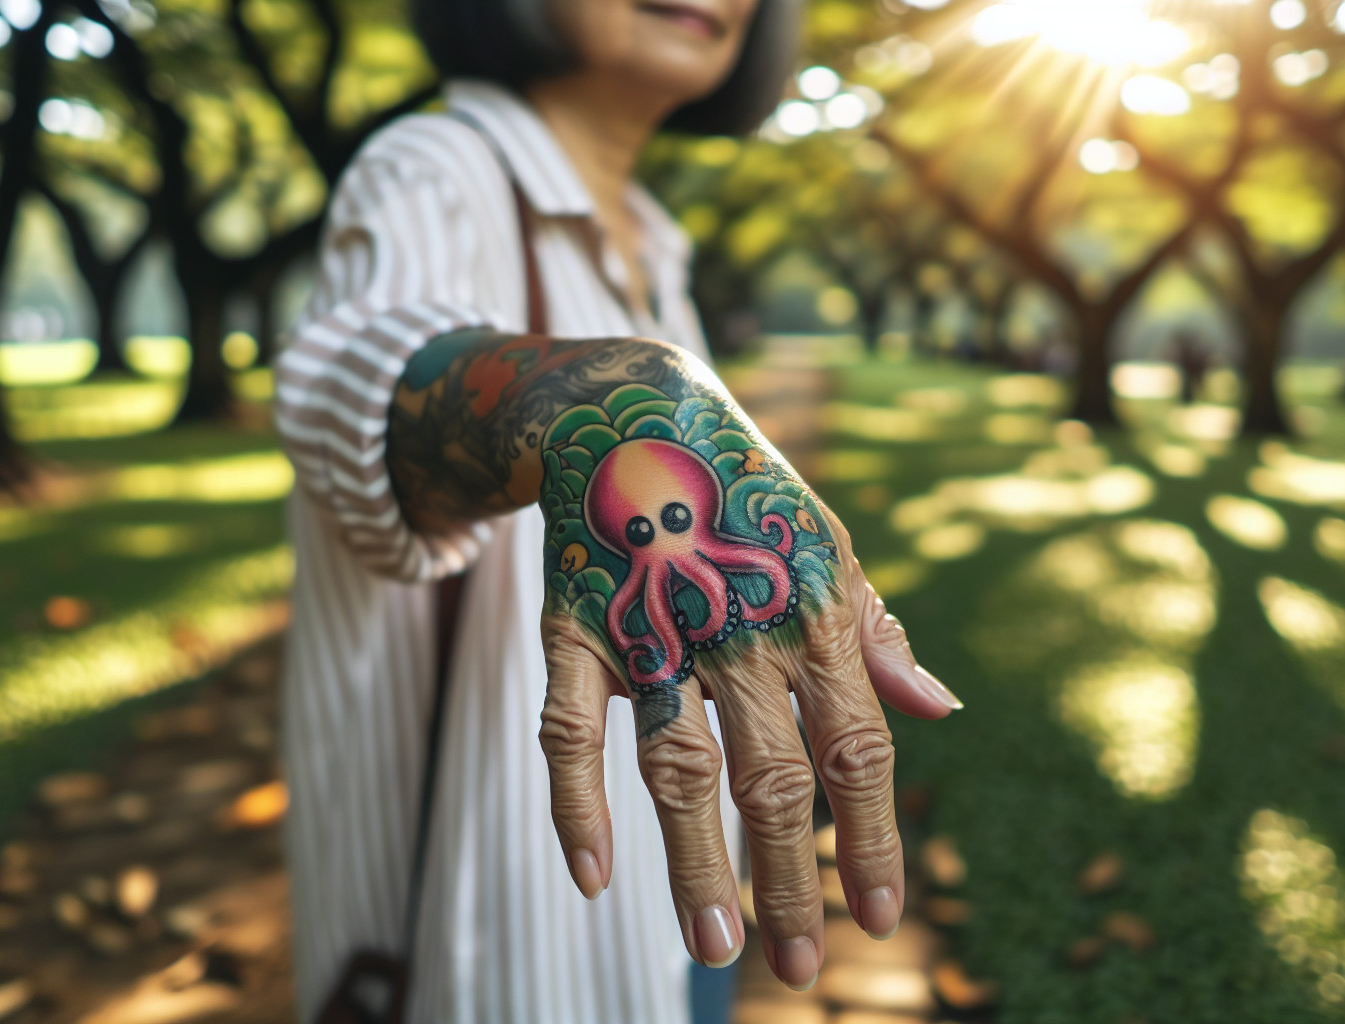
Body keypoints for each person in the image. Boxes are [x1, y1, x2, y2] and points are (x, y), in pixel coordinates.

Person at [273, 2, 962, 1021]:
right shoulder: (431, 163)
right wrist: (588, 395)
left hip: (680, 907)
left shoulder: (654, 239)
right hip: (496, 942)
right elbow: (352, 379)